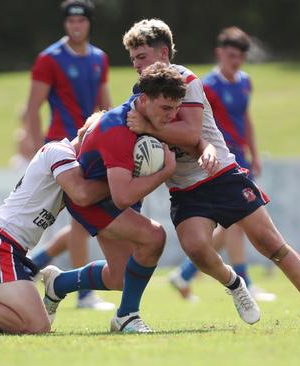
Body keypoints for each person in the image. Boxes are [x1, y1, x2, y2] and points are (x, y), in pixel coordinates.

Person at [123, 18, 300, 328]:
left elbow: (189, 134)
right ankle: (235, 284)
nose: (136, 64)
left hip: (222, 174)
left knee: (271, 244)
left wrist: (148, 127)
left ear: (163, 53)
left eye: (142, 57)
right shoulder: (138, 96)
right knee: (197, 250)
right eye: (133, 58)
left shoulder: (185, 81)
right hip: (185, 189)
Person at [41, 63, 220, 333]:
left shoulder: (145, 113)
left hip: (110, 194)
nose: (171, 117)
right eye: (165, 109)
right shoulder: (118, 129)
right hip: (92, 201)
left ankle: (59, 284)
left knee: (120, 277)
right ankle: (127, 317)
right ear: (145, 100)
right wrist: (166, 171)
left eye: (175, 109)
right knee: (154, 237)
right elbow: (122, 197)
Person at [0, 113, 117, 336]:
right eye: (103, 145)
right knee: (37, 326)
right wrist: (120, 184)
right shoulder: (59, 151)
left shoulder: (72, 164)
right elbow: (82, 195)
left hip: (0, 244)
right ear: (87, 136)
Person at [16, 0, 114, 310]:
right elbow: (32, 108)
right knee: (79, 219)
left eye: (81, 21)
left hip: (92, 149)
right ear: (65, 24)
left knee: (80, 223)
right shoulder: (49, 59)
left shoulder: (100, 58)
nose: (76, 26)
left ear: (89, 23)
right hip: (62, 148)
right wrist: (35, 149)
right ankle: (83, 294)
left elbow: (105, 106)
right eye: (71, 21)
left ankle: (33, 265)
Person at [169, 26, 276, 303]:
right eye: (231, 55)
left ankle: (185, 273)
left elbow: (245, 118)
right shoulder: (207, 86)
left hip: (239, 156)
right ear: (220, 54)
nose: (236, 61)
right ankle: (244, 281)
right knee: (237, 222)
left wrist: (254, 152)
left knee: (234, 224)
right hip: (218, 158)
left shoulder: (244, 82)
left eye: (240, 56)